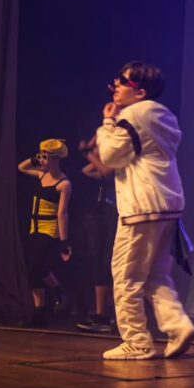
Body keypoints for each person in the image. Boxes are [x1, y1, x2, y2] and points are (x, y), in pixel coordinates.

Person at [95, 62, 194, 360]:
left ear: (140, 92)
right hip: (167, 206)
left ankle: (137, 340)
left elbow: (110, 156)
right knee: (156, 274)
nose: (115, 85)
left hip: (141, 207)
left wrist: (107, 123)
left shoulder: (134, 115)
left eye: (122, 81)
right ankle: (178, 326)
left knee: (126, 276)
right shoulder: (164, 116)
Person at [17, 139, 73, 327]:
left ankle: (53, 296)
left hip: (49, 230)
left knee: (36, 267)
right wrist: (35, 159)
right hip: (34, 228)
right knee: (35, 270)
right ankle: (42, 309)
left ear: (56, 159)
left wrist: (64, 243)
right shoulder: (42, 175)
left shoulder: (64, 184)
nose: (42, 160)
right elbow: (21, 167)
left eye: (46, 157)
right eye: (40, 156)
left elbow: (62, 213)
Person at [75, 136, 118, 333]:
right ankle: (102, 315)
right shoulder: (106, 166)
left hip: (117, 215)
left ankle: (115, 316)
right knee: (101, 263)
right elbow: (87, 170)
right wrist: (95, 153)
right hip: (105, 214)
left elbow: (106, 172)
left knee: (113, 264)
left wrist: (88, 153)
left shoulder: (119, 163)